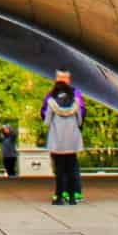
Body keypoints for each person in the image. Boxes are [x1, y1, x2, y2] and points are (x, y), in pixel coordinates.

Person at [43, 76, 85, 205]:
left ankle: (59, 196)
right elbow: (80, 120)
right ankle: (72, 197)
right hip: (72, 141)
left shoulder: (51, 102)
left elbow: (47, 121)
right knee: (72, 169)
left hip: (57, 141)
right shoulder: (75, 102)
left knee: (60, 170)